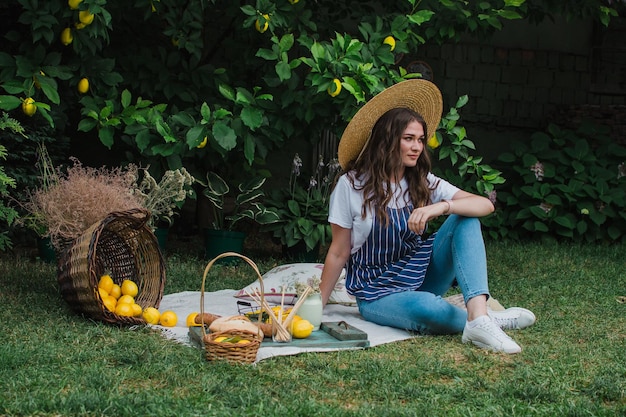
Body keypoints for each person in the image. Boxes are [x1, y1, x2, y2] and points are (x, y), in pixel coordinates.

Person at [319, 79, 535, 354]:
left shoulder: (421, 180)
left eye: (420, 140)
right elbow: (339, 252)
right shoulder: (351, 186)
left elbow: (484, 205)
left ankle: (479, 317)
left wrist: (440, 207)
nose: (417, 147)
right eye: (408, 139)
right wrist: (317, 307)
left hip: (420, 273)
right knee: (429, 309)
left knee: (464, 217)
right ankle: (489, 320)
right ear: (387, 141)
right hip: (378, 292)